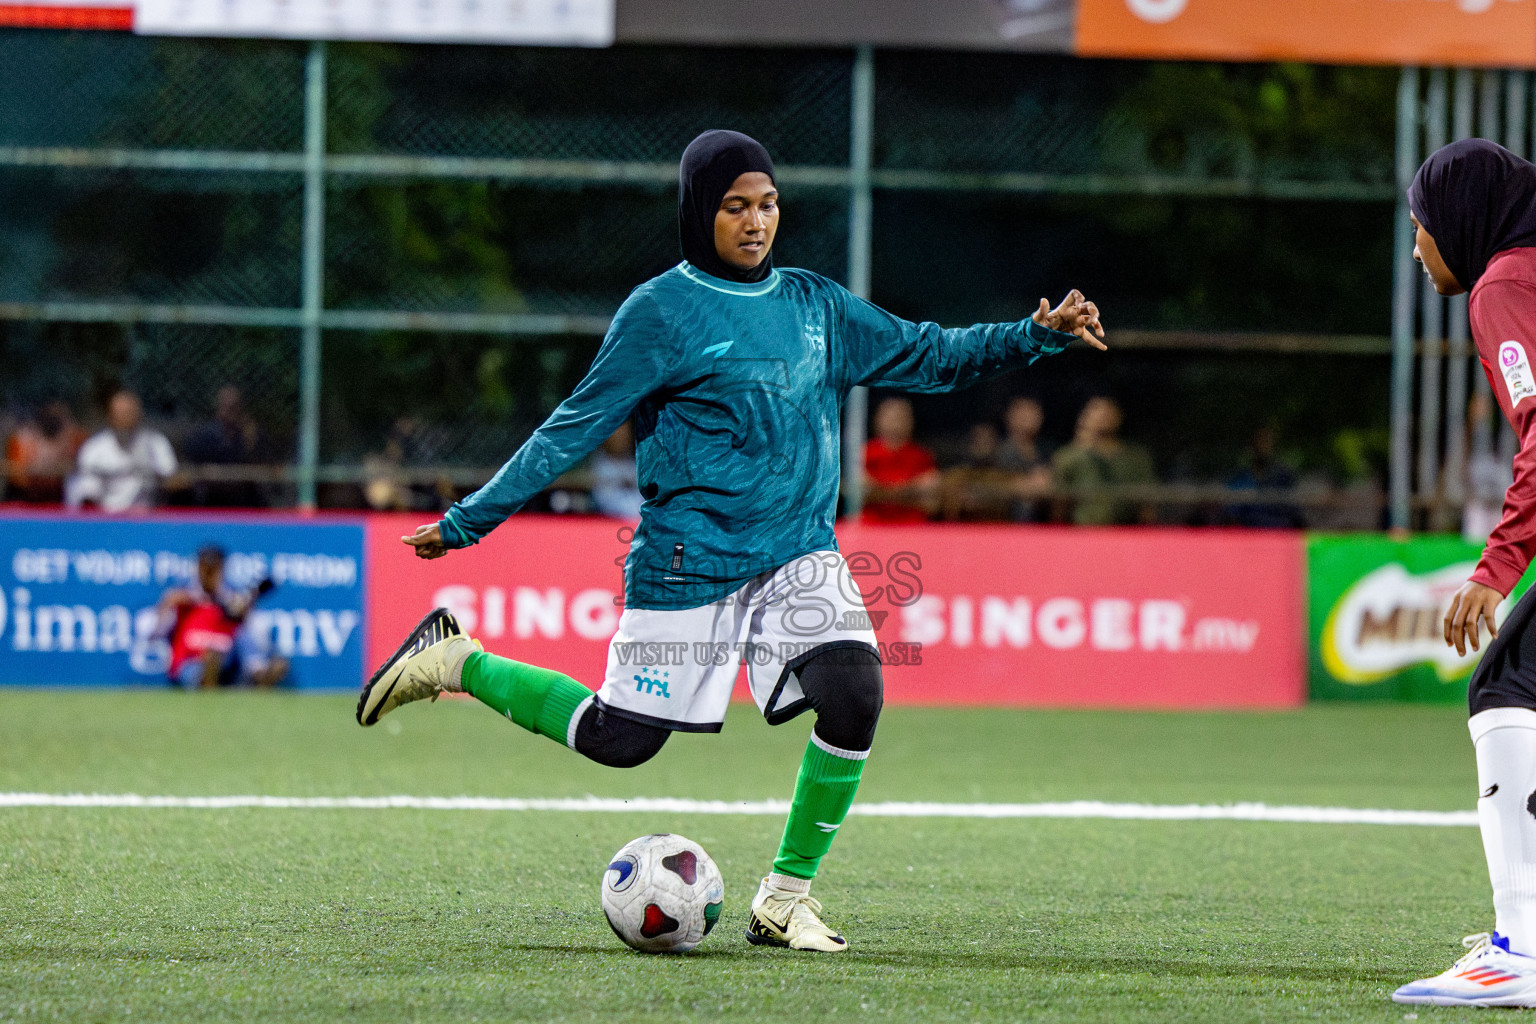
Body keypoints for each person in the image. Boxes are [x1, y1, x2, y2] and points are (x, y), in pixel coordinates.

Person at [355, 130, 1106, 952]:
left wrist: (1034, 334)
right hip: (690, 559)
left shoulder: (815, 303)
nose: (756, 222)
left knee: (856, 694)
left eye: (769, 204)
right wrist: (470, 521)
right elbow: (570, 428)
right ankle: (455, 660)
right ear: (697, 212)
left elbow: (927, 353)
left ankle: (784, 899)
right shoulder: (659, 313)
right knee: (621, 741)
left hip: (797, 552)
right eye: (735, 206)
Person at [1393, 139, 1536, 1008]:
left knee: (1506, 689)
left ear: (1459, 221)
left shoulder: (1506, 285)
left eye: (1420, 227)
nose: (1417, 248)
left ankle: (1520, 947)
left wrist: (1497, 566)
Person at [158, 545, 286, 689]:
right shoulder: (182, 592)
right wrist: (180, 602)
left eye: (214, 568)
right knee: (195, 670)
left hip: (226, 656)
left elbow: (244, 616)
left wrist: (235, 603)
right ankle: (206, 679)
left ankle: (258, 674)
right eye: (206, 568)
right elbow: (157, 627)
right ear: (198, 567)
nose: (209, 574)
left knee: (246, 632)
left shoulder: (231, 594)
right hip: (192, 657)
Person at [65, 390, 179, 512]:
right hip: (105, 518)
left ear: (139, 414)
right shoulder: (94, 449)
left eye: (129, 413)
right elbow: (86, 493)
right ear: (110, 416)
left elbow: (173, 480)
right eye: (120, 414)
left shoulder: (156, 444)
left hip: (146, 518)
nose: (125, 418)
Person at [1051, 395, 1157, 525]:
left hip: (1125, 532)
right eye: (1097, 410)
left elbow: (1147, 503)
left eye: (1108, 411)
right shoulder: (1069, 456)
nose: (1103, 415)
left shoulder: (1136, 458)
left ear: (1119, 417)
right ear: (1085, 417)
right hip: (1083, 532)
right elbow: (1058, 505)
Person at [184, 386, 267, 508]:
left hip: (245, 498)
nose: (228, 412)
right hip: (213, 499)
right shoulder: (206, 435)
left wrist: (250, 439)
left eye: (233, 408)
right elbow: (195, 461)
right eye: (224, 407)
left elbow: (257, 467)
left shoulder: (250, 434)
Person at [862, 396, 941, 523]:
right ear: (877, 419)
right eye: (890, 417)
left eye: (900, 417)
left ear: (911, 421)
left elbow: (931, 486)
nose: (895, 423)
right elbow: (859, 485)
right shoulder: (865, 453)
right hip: (872, 523)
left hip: (913, 524)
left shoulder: (921, 455)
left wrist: (889, 490)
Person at [5, 399, 85, 503]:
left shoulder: (74, 437)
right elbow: (17, 477)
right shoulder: (23, 439)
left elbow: (78, 468)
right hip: (26, 497)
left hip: (60, 499)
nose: (54, 417)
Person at [995, 396, 1053, 521]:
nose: (1029, 418)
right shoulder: (1000, 452)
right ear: (1010, 417)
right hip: (1007, 519)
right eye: (1023, 413)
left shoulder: (1045, 451)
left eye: (1033, 412)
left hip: (1042, 518)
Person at [589, 421, 643, 521]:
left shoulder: (639, 462)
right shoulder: (594, 465)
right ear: (607, 437)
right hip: (606, 521)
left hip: (638, 521)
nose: (621, 439)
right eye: (616, 435)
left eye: (624, 434)